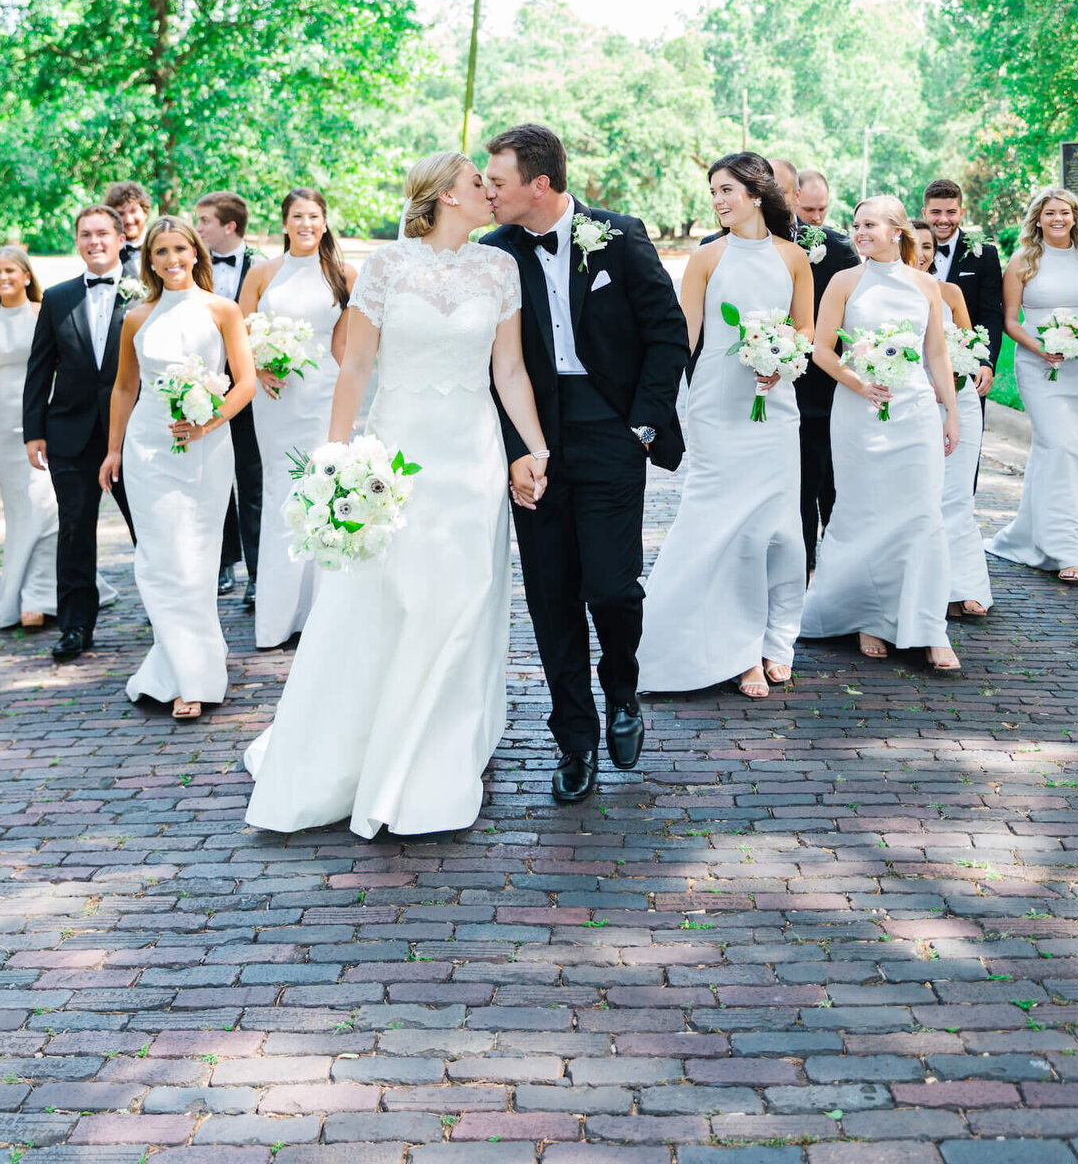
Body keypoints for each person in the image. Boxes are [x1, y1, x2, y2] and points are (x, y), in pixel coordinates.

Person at [245, 152, 547, 837]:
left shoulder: (499, 269)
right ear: (445, 194)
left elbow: (510, 370)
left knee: (461, 601)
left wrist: (533, 447)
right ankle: (356, 747)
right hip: (395, 456)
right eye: (477, 183)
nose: (489, 192)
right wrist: (335, 453)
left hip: (470, 460)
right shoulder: (384, 266)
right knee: (390, 599)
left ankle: (444, 751)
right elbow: (354, 365)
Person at [482, 124, 689, 804]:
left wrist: (644, 422)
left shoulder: (619, 236)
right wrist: (517, 450)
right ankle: (575, 739)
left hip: (611, 429)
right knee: (550, 597)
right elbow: (488, 365)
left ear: (539, 185)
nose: (488, 191)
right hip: (533, 433)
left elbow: (666, 331)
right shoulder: (493, 253)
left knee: (611, 587)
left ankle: (622, 689)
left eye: (499, 180)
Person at [640, 153, 814, 698]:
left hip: (775, 407)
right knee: (716, 524)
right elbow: (685, 336)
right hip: (717, 406)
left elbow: (805, 328)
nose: (717, 201)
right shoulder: (706, 258)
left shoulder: (794, 258)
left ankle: (774, 639)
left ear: (757, 194)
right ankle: (734, 653)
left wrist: (783, 362)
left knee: (777, 530)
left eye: (726, 191)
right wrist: (660, 403)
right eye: (713, 192)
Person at [100, 216, 255, 719]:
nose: (171, 260)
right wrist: (114, 449)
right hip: (148, 448)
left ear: (195, 252)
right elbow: (125, 388)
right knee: (159, 560)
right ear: (149, 260)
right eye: (160, 252)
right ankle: (177, 669)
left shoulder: (222, 310)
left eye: (179, 249)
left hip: (207, 448)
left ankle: (197, 673)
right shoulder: (137, 317)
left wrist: (210, 423)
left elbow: (245, 383)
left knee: (196, 558)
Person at [800, 195, 962, 671]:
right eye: (856, 225)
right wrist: (859, 383)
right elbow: (821, 350)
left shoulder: (925, 285)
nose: (860, 232)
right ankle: (866, 614)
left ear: (897, 231)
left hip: (913, 414)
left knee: (921, 515)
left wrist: (949, 411)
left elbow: (937, 354)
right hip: (858, 412)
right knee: (864, 511)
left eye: (870, 224)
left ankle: (930, 628)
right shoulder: (844, 281)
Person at [240, 189, 356, 649]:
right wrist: (258, 367)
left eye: (313, 216)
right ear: (284, 223)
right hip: (275, 397)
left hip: (324, 394)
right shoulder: (262, 273)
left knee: (323, 491)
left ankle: (320, 612)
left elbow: (345, 350)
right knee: (281, 492)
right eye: (296, 216)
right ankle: (277, 615)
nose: (306, 223)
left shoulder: (343, 274)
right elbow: (240, 335)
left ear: (324, 223)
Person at [989, 186, 1078, 582]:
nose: (1058, 219)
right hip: (1039, 365)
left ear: (1075, 215)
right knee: (1058, 444)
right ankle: (1064, 549)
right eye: (1049, 213)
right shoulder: (1023, 260)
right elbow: (1011, 320)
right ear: (1038, 219)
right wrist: (1040, 347)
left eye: (1064, 212)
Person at [23, 205, 136, 661]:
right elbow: (39, 367)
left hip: (129, 432)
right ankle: (74, 627)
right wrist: (34, 431)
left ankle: (166, 614)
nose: (95, 242)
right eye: (86, 234)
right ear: (77, 240)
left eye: (103, 234)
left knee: (145, 527)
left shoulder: (144, 292)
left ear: (121, 238)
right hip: (69, 432)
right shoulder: (57, 297)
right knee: (74, 530)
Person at [769, 159, 858, 570]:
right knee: (795, 490)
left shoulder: (837, 249)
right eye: (810, 211)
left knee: (833, 487)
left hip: (825, 388)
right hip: (773, 385)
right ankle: (800, 570)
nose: (818, 218)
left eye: (824, 210)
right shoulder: (751, 245)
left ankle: (837, 570)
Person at [0, 248, 59, 629]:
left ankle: (39, 596)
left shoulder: (43, 312)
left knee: (46, 503)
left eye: (10, 270)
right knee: (19, 508)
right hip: (2, 422)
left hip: (42, 414)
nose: (2, 278)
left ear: (26, 275)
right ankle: (23, 590)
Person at [913, 218, 993, 619]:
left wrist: (970, 368)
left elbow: (969, 343)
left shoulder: (951, 292)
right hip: (913, 403)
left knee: (958, 495)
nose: (923, 254)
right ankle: (928, 587)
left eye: (929, 247)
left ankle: (966, 585)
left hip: (958, 401)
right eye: (915, 245)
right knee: (924, 497)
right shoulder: (887, 294)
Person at [195, 191, 263, 606]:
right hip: (203, 390)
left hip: (251, 390)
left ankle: (258, 572)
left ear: (229, 226)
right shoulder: (189, 267)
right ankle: (222, 564)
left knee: (252, 481)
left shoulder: (263, 266)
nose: (198, 228)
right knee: (212, 478)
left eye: (204, 221)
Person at [921, 178, 1003, 397]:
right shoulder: (906, 251)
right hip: (918, 367)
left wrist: (986, 362)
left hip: (966, 366)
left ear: (962, 211)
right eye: (936, 212)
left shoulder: (984, 254)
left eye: (951, 212)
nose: (944, 219)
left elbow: (991, 315)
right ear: (924, 212)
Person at [105, 181, 153, 279]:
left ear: (145, 212)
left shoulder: (161, 244)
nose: (128, 220)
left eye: (133, 211)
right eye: (121, 214)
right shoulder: (107, 253)